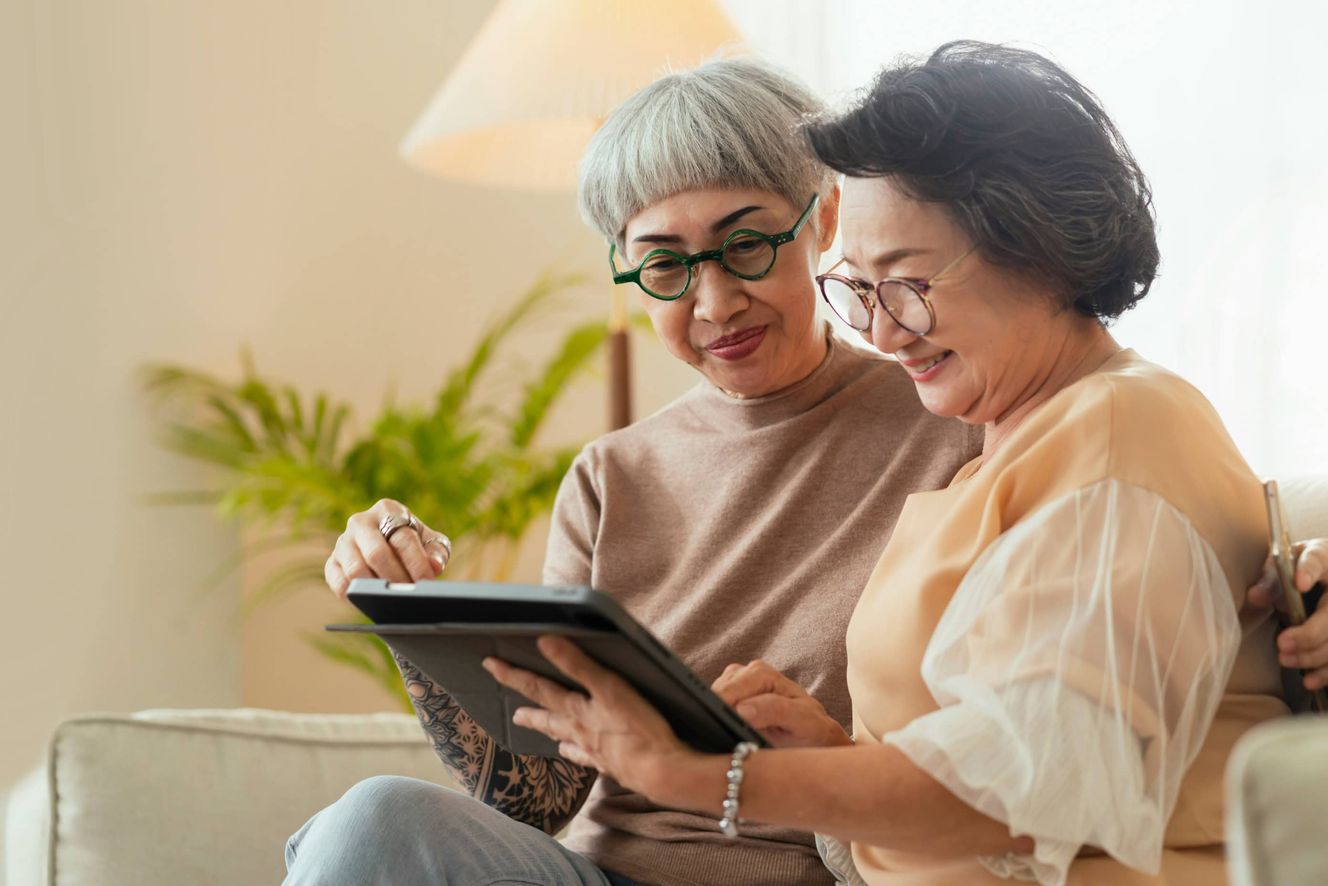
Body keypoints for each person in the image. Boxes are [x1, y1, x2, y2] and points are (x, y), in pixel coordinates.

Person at [477, 42, 1328, 886]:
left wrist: (699, 777)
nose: (881, 332)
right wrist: (830, 755)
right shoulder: (1007, 441)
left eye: (907, 284)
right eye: (862, 290)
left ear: (1032, 250)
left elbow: (1015, 788)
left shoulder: (1112, 427)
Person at [284, 58, 981, 886]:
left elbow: (984, 773)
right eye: (665, 266)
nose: (715, 303)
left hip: (809, 870)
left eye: (747, 244)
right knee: (374, 820)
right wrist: (404, 614)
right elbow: (538, 799)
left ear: (823, 218)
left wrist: (832, 759)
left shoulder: (951, 430)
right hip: (601, 876)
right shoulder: (609, 479)